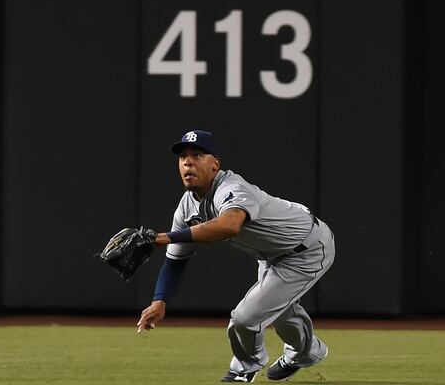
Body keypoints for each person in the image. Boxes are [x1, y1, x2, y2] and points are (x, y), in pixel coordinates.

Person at [137, 130, 336, 382]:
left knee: (245, 318)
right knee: (281, 312)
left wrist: (164, 237)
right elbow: (176, 260)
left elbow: (229, 225)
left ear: (215, 164)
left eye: (197, 155)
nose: (188, 161)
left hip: (307, 249)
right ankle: (307, 352)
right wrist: (160, 300)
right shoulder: (187, 206)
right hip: (272, 255)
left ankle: (244, 368)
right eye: (183, 157)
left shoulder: (230, 187)